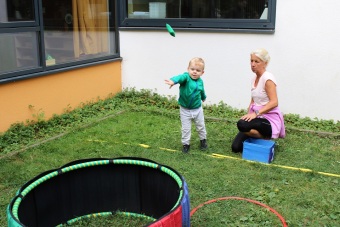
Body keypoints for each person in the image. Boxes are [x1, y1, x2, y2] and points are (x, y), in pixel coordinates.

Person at [231, 48, 285, 153]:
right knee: (236, 148)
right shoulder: (253, 79)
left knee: (242, 125)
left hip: (269, 120)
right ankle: (260, 138)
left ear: (265, 63)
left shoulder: (268, 78)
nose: (253, 64)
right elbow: (253, 101)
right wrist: (249, 115)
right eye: (251, 61)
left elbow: (274, 102)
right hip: (257, 117)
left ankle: (267, 138)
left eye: (256, 61)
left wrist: (255, 114)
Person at [165, 57, 208, 153]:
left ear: (202, 72)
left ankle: (203, 140)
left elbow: (201, 91)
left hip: (197, 109)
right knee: (186, 129)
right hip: (185, 110)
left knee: (201, 126)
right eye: (192, 69)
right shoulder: (186, 78)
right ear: (188, 69)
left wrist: (203, 97)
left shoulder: (200, 82)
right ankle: (186, 144)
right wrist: (173, 81)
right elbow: (180, 77)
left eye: (198, 70)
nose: (194, 72)